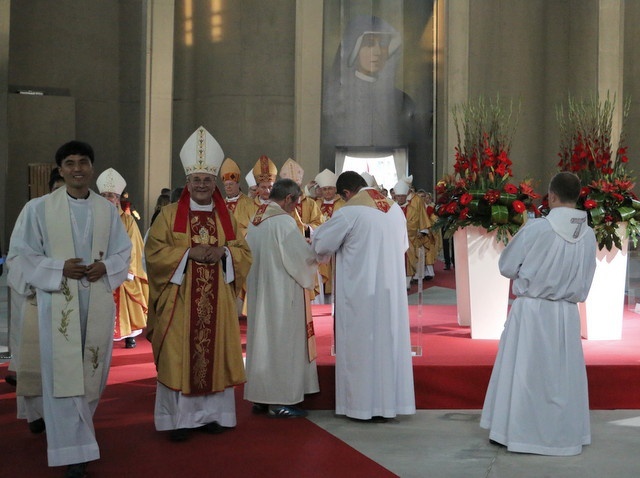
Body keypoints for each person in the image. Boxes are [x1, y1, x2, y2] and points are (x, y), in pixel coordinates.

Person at [9, 140, 131, 478]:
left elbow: (124, 252)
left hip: (96, 302)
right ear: (60, 169)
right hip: (57, 302)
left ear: (91, 168)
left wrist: (105, 268)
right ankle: (71, 452)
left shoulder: (107, 210)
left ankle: (78, 439)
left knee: (92, 373)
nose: (77, 169)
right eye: (70, 163)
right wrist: (58, 268)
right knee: (61, 377)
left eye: (83, 162)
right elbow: (22, 254)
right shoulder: (38, 208)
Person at [145, 126, 251, 443]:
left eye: (207, 180)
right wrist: (188, 253)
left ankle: (212, 416)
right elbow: (153, 254)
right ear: (188, 183)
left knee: (213, 352)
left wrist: (224, 252)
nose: (202, 185)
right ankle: (177, 420)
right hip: (179, 299)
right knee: (179, 356)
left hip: (215, 300)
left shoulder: (226, 217)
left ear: (214, 182)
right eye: (196, 180)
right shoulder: (168, 214)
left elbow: (244, 251)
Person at [480, 172, 597, 456]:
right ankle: (564, 434)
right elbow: (587, 279)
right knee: (561, 377)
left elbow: (507, 266)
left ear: (552, 196)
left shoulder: (537, 229)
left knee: (525, 374)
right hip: (567, 314)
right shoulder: (589, 234)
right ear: (578, 196)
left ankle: (516, 433)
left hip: (532, 312)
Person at [312, 171, 415, 421]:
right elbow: (403, 246)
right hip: (390, 294)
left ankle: (359, 407)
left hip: (360, 294)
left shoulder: (349, 212)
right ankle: (389, 405)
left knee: (361, 347)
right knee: (387, 345)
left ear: (346, 193)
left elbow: (322, 245)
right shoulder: (393, 210)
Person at [244, 178, 320, 417]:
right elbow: (301, 261)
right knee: (282, 343)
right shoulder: (283, 222)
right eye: (296, 203)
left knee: (263, 343)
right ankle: (279, 402)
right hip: (282, 293)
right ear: (288, 199)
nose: (296, 208)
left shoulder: (256, 219)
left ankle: (261, 397)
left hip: (259, 291)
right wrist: (315, 255)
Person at [97, 168, 149, 349]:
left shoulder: (127, 220)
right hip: (101, 268)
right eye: (103, 195)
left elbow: (134, 246)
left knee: (126, 301)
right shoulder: (94, 217)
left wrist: (127, 269)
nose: (107, 199)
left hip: (122, 268)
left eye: (110, 195)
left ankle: (129, 336)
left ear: (118, 199)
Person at [394, 176, 434, 287]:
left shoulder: (417, 200)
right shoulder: (394, 205)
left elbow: (422, 215)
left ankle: (408, 282)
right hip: (397, 238)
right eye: (398, 196)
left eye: (402, 196)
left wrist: (423, 230)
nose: (400, 198)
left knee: (411, 258)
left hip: (412, 236)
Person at [314, 168, 345, 295]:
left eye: (330, 188)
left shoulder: (343, 204)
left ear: (335, 189)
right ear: (320, 190)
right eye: (324, 189)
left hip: (337, 245)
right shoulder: (315, 204)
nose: (327, 192)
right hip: (321, 243)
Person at [220, 157, 256, 238]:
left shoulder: (249, 203)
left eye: (231, 184)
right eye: (226, 185)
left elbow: (254, 229)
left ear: (238, 184)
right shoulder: (220, 205)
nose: (228, 187)